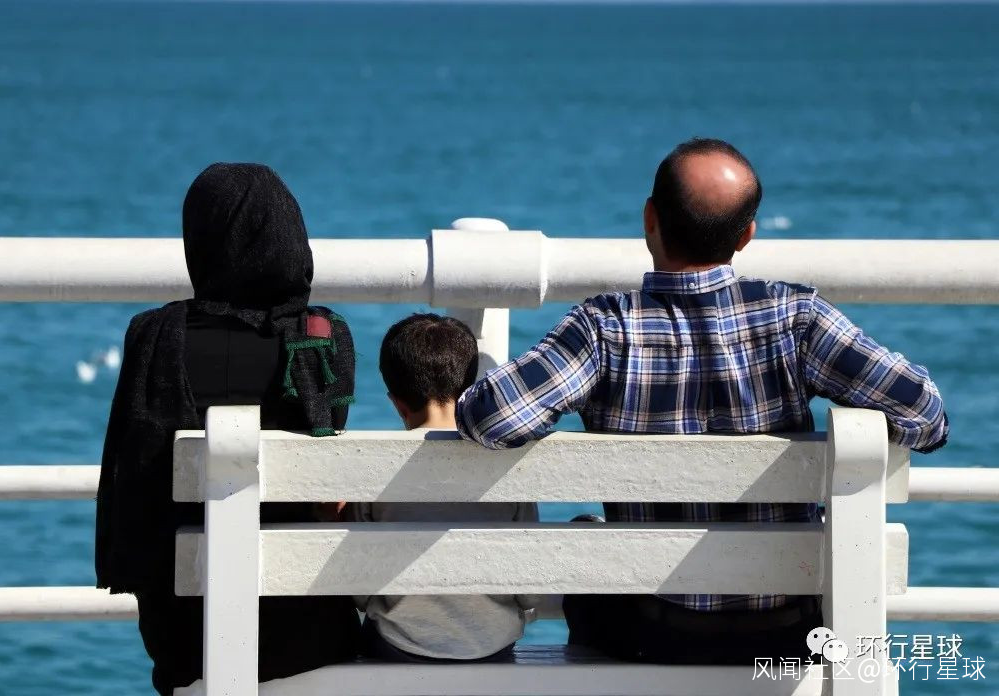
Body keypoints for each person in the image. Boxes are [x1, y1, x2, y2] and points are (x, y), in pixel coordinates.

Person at [455, 138, 948, 664]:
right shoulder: (796, 318)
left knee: (587, 543)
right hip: (782, 635)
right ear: (746, 235)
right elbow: (926, 416)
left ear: (650, 219)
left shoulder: (604, 329)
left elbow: (489, 418)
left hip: (654, 634)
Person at [95, 163, 360, 694]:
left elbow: (135, 473)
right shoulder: (323, 340)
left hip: (185, 639)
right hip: (309, 632)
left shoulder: (153, 338)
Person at [345, 313, 538, 662]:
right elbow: (529, 592)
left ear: (397, 404)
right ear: (468, 389)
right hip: (492, 648)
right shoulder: (506, 466)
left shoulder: (374, 470)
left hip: (398, 647)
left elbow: (361, 593)